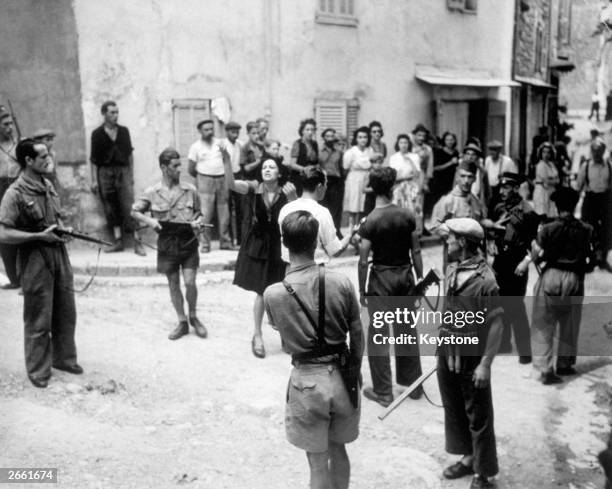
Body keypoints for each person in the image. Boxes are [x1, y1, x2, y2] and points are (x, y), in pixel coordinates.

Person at [263, 210, 363, 489]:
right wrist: (354, 369)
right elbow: (356, 331)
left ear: (284, 242)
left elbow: (280, 331)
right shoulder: (340, 281)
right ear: (316, 240)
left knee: (317, 462)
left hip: (307, 380)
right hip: (343, 377)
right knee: (339, 450)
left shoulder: (274, 294)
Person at [0, 139, 83, 388]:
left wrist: (62, 230)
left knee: (66, 311)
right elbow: (3, 233)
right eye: (43, 156)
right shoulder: (15, 193)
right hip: (34, 257)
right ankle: (38, 369)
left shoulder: (47, 185)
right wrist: (37, 236)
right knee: (38, 315)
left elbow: (53, 220)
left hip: (58, 253)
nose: (49, 159)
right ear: (28, 161)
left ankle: (64, 359)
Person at [437, 217, 503, 489]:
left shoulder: (486, 280)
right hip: (448, 352)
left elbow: (498, 324)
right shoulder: (452, 268)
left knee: (478, 414)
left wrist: (485, 365)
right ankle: (468, 457)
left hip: (472, 355)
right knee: (455, 408)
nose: (447, 241)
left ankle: (484, 473)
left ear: (463, 242)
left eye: (450, 237)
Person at [358, 167, 424, 407]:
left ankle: (384, 392)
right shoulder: (407, 215)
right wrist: (419, 279)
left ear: (372, 189)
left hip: (381, 280)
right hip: (405, 276)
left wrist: (362, 289)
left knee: (378, 336)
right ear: (393, 187)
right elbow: (416, 250)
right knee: (406, 331)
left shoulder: (370, 220)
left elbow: (364, 260)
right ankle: (414, 386)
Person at [131, 148, 208, 341]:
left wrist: (198, 221)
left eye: (180, 164)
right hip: (166, 242)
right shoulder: (152, 192)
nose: (180, 169)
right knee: (173, 283)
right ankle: (182, 321)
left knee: (190, 282)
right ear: (164, 168)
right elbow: (134, 211)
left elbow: (200, 213)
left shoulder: (189, 190)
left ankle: (193, 316)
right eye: (175, 166)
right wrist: (150, 222)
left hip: (188, 240)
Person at [224, 155, 296, 359]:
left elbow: (295, 215)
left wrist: (293, 200)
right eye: (264, 166)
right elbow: (230, 184)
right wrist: (227, 161)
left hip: (280, 243)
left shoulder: (288, 190)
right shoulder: (254, 187)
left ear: (279, 173)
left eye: (272, 167)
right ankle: (257, 335)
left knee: (282, 292)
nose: (267, 169)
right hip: (260, 243)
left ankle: (284, 333)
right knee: (261, 291)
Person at [530, 187, 592, 384]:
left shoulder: (548, 228)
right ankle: (564, 364)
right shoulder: (586, 229)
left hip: (551, 275)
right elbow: (591, 258)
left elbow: (536, 254)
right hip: (574, 278)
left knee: (544, 321)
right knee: (569, 322)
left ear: (556, 206)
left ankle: (545, 368)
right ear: (574, 206)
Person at [491, 172, 540, 363]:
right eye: (501, 187)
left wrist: (526, 261)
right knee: (499, 302)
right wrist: (492, 243)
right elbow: (494, 231)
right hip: (500, 260)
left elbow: (536, 244)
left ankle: (525, 352)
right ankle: (503, 343)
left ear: (516, 188)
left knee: (516, 306)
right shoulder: (498, 208)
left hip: (517, 260)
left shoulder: (527, 211)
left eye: (506, 187)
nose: (502, 191)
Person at [90, 101, 146, 256]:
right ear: (104, 114)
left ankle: (138, 242)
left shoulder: (123, 131)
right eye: (112, 113)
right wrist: (94, 180)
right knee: (110, 207)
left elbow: (129, 155)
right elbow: (93, 160)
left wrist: (131, 175)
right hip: (105, 173)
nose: (115, 115)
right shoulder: (97, 134)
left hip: (123, 171)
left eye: (117, 112)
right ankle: (118, 241)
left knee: (130, 207)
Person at [278, 166, 353, 265]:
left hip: (290, 270)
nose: (326, 188)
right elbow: (335, 251)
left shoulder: (285, 209)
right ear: (319, 187)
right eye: (326, 185)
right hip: (315, 271)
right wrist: (350, 235)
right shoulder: (322, 212)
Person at [432, 156, 486, 270]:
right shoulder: (447, 200)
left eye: (470, 177)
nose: (466, 181)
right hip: (454, 255)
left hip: (474, 256)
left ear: (475, 179)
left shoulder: (475, 200)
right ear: (457, 177)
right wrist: (454, 235)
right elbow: (435, 226)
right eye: (462, 176)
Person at [187, 119, 233, 252]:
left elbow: (227, 160)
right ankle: (205, 244)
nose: (209, 132)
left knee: (224, 212)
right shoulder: (195, 147)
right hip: (204, 180)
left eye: (211, 129)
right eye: (206, 130)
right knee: (205, 213)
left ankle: (225, 242)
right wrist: (203, 176)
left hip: (221, 179)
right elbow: (190, 168)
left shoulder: (220, 143)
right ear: (200, 131)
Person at [574, 139, 612, 271]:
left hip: (605, 200)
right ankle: (590, 258)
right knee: (588, 229)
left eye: (599, 151)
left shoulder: (609, 165)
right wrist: (575, 201)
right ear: (591, 151)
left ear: (603, 151)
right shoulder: (586, 166)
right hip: (591, 199)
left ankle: (603, 259)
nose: (597, 153)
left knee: (607, 231)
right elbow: (579, 185)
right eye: (594, 151)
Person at [0, 107, 20, 289]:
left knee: (22, 230)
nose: (9, 127)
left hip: (18, 188)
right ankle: (14, 278)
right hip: (0, 189)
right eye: (5, 124)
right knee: (4, 235)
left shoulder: (19, 143)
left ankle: (27, 277)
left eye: (11, 124)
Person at [388, 134, 422, 234]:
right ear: (398, 144)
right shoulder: (394, 158)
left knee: (413, 210)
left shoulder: (414, 156)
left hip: (412, 187)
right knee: (398, 210)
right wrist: (406, 177)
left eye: (406, 142)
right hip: (398, 187)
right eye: (401, 143)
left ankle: (414, 234)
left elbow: (416, 174)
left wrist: (410, 161)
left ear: (409, 144)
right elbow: (394, 177)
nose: (404, 145)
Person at [343, 126, 373, 231]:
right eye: (360, 137)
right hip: (354, 180)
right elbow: (345, 168)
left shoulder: (370, 151)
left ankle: (362, 231)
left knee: (364, 206)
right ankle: (351, 231)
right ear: (356, 139)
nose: (363, 139)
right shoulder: (351, 152)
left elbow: (372, 166)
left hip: (367, 180)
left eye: (365, 137)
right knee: (353, 206)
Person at [318, 128, 345, 237]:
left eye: (332, 136)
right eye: (327, 136)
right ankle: (324, 234)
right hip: (324, 180)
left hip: (336, 181)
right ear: (323, 137)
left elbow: (342, 168)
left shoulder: (339, 152)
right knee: (324, 207)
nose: (330, 138)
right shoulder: (319, 151)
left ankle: (336, 231)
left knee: (336, 207)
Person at [223, 121, 244, 247]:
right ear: (227, 132)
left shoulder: (240, 145)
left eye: (237, 132)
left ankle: (240, 239)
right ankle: (229, 239)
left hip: (238, 176)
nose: (235, 135)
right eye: (232, 132)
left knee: (240, 209)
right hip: (226, 177)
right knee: (227, 209)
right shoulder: (222, 145)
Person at [429, 131, 459, 216]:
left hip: (452, 181)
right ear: (444, 141)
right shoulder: (439, 152)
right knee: (440, 202)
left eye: (451, 139)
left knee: (451, 202)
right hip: (440, 181)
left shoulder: (455, 152)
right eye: (447, 139)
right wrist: (450, 163)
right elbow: (435, 168)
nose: (450, 141)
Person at [483, 140, 518, 214]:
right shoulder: (488, 160)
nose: (492, 152)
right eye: (491, 150)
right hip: (490, 190)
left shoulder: (507, 161)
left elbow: (514, 177)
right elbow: (485, 175)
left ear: (499, 151)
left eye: (495, 150)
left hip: (502, 190)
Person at [287, 118, 319, 195]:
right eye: (307, 130)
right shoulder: (297, 144)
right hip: (299, 178)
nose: (310, 132)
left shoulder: (314, 144)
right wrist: (305, 169)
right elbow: (292, 164)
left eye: (312, 130)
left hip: (311, 178)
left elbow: (316, 162)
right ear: (302, 131)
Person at [533, 142, 560, 218]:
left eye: (548, 152)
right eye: (544, 152)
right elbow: (546, 181)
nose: (546, 154)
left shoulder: (551, 164)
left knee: (551, 214)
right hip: (542, 191)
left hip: (551, 191)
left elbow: (557, 179)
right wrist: (554, 180)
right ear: (541, 153)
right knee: (542, 214)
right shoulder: (540, 165)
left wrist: (554, 180)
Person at [411, 123, 434, 196]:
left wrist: (426, 183)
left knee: (419, 200)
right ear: (414, 135)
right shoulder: (410, 147)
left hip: (421, 177)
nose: (421, 138)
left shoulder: (428, 149)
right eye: (419, 135)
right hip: (409, 176)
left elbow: (430, 167)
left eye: (423, 136)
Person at [362, 152, 385, 216]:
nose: (378, 165)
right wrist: (374, 189)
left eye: (380, 163)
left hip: (380, 199)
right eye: (375, 163)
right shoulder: (369, 174)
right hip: (370, 199)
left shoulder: (383, 174)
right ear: (371, 163)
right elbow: (363, 189)